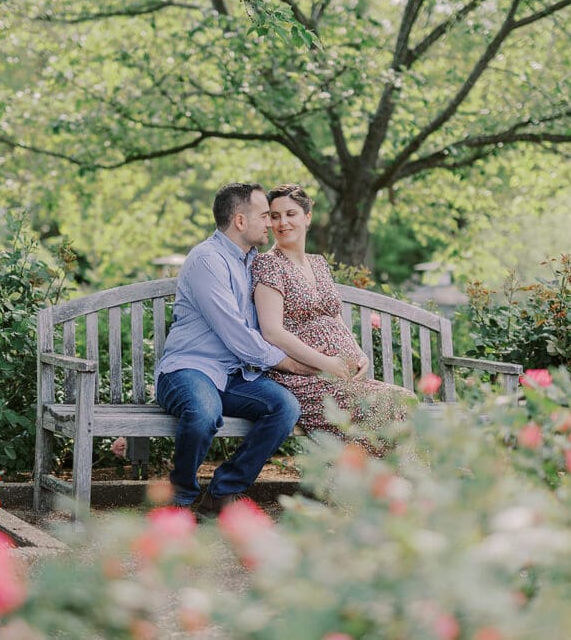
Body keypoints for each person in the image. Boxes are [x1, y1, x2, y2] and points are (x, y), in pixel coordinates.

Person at [156, 182, 315, 518]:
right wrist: (287, 363)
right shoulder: (206, 260)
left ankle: (222, 493)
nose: (271, 224)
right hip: (189, 370)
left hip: (235, 376)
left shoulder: (252, 261)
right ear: (240, 222)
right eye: (263, 216)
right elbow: (235, 333)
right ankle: (181, 496)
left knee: (284, 407)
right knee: (203, 413)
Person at [252, 184, 413, 453]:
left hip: (342, 377)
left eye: (290, 214)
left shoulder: (318, 263)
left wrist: (360, 354)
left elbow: (334, 317)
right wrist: (327, 364)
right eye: (275, 216)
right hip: (306, 379)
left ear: (307, 217)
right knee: (391, 404)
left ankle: (397, 490)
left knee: (403, 404)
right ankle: (363, 491)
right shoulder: (268, 264)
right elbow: (272, 332)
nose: (282, 222)